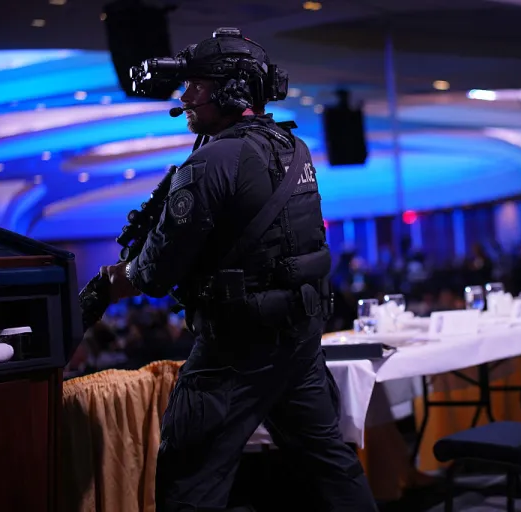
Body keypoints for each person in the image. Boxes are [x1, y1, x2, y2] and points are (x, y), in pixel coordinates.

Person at [100, 28, 377, 511]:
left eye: (196, 87)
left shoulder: (208, 165)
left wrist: (109, 282)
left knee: (189, 479)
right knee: (332, 471)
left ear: (230, 91)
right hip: (298, 342)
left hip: (233, 351)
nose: (185, 97)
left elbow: (156, 273)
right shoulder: (295, 151)